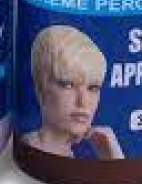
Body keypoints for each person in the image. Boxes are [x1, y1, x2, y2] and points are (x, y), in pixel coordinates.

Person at [22, 25, 124, 159]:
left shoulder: (75, 155)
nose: (83, 102)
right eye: (68, 85)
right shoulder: (29, 147)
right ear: (41, 88)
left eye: (93, 88)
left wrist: (113, 157)